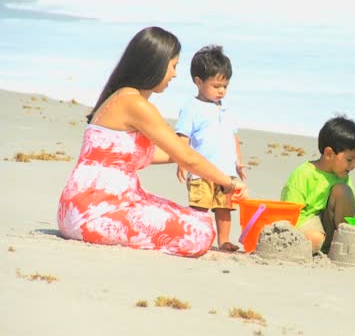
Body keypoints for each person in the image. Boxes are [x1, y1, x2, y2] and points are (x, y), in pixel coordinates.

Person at [57, 27, 247, 257]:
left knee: (198, 218)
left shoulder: (119, 96)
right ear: (155, 64)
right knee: (199, 232)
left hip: (80, 206)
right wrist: (228, 182)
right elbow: (185, 157)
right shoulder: (136, 104)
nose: (175, 74)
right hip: (95, 212)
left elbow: (172, 154)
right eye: (173, 66)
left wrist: (199, 152)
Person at [174, 45, 245, 252]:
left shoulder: (225, 109)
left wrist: (238, 163)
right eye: (216, 86)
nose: (222, 91)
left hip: (226, 171)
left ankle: (223, 240)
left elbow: (233, 137)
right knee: (199, 206)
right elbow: (182, 137)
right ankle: (195, 236)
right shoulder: (191, 108)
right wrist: (181, 162)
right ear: (198, 82)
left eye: (225, 86)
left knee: (224, 208)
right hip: (201, 169)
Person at [280, 115, 355, 254]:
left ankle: (342, 242)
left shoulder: (342, 176)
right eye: (350, 159)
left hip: (330, 229)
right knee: (315, 238)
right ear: (328, 153)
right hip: (305, 223)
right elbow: (290, 213)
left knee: (343, 190)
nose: (354, 165)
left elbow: (348, 210)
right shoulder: (304, 173)